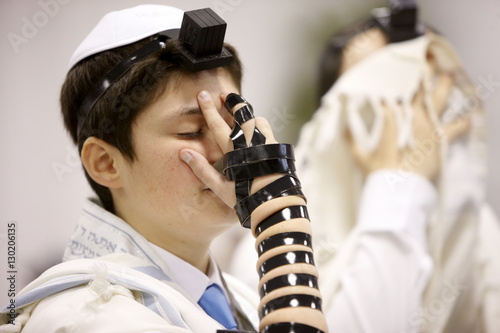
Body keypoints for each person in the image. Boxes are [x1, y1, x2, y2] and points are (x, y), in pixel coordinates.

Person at [0, 4, 328, 332]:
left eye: (231, 126)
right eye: (192, 131)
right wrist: (282, 226)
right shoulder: (86, 313)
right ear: (105, 163)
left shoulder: (244, 299)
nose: (228, 151)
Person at [225, 3, 500, 333]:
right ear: (337, 124)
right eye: (379, 96)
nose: (415, 119)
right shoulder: (279, 227)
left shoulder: (476, 228)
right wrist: (399, 184)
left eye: (427, 93)